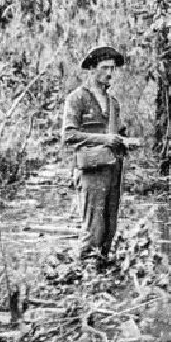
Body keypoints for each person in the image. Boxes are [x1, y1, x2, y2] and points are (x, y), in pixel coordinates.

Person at [62, 46, 128, 269]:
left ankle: (102, 271)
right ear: (92, 69)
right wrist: (104, 139)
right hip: (91, 171)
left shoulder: (113, 103)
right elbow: (68, 135)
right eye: (105, 68)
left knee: (110, 226)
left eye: (112, 68)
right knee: (93, 227)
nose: (110, 73)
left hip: (113, 168)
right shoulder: (77, 98)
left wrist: (123, 141)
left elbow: (117, 134)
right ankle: (83, 274)